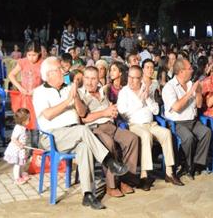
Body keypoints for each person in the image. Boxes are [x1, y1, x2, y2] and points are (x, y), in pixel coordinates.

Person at [33, 57, 129, 209]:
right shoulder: (39, 92)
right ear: (49, 74)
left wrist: (75, 97)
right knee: (83, 130)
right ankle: (109, 161)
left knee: (84, 147)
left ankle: (88, 194)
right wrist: (67, 102)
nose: (63, 71)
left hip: (74, 133)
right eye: (59, 69)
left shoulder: (68, 88)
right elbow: (48, 115)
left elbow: (82, 112)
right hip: (52, 136)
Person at [117, 65, 184, 190]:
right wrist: (139, 100)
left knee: (166, 133)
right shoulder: (124, 92)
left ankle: (169, 172)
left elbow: (156, 110)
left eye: (135, 78)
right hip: (134, 125)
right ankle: (144, 175)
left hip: (151, 124)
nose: (131, 80)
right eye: (130, 77)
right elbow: (123, 112)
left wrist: (147, 98)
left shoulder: (145, 89)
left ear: (140, 78)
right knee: (146, 136)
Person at [79, 66, 139, 197]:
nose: (90, 82)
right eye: (87, 78)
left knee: (132, 139)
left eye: (93, 78)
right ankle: (111, 186)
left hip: (111, 126)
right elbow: (83, 119)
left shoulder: (102, 91)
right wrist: (104, 112)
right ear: (83, 79)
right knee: (109, 144)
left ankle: (125, 180)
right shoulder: (80, 94)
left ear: (98, 79)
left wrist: (112, 110)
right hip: (95, 129)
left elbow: (108, 110)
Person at [162, 58, 211, 179]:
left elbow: (199, 105)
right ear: (181, 71)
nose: (192, 70)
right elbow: (177, 107)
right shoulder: (169, 87)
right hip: (177, 123)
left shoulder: (190, 84)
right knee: (188, 138)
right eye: (189, 68)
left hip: (192, 120)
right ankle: (186, 165)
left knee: (206, 132)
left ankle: (196, 164)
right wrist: (190, 92)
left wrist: (198, 92)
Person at [8, 41, 43, 147]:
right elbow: (11, 75)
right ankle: (19, 149)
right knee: (22, 125)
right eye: (29, 55)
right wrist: (20, 88)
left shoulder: (42, 63)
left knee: (35, 127)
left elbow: (47, 81)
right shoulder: (22, 62)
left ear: (39, 53)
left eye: (34, 55)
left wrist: (36, 90)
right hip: (24, 99)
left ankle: (34, 151)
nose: (31, 58)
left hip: (37, 99)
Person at [3, 108, 31, 185]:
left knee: (22, 162)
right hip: (16, 150)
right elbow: (13, 138)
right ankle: (17, 178)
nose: (30, 120)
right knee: (17, 164)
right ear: (23, 120)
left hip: (21, 149)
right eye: (29, 119)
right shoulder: (18, 128)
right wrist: (20, 144)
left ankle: (21, 173)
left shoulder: (23, 127)